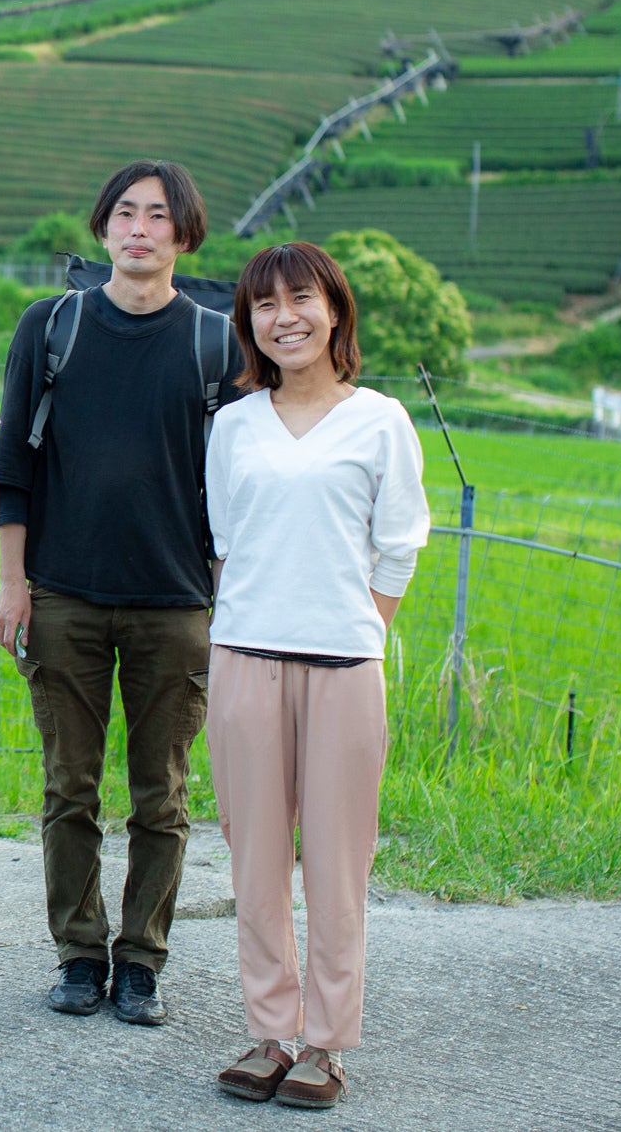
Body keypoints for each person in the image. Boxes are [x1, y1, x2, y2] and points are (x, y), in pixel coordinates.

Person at [0, 160, 244, 1025]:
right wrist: (12, 584)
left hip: (176, 604)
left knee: (160, 795)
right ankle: (77, 952)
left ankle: (141, 959)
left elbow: (237, 487)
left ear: (185, 234)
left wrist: (225, 606)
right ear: (103, 229)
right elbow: (13, 467)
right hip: (63, 594)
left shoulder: (217, 343)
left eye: (159, 215)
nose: (140, 229)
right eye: (125, 213)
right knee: (69, 788)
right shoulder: (52, 326)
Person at [204, 241, 429, 1110]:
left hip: (344, 668)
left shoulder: (380, 419)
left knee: (337, 864)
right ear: (249, 325)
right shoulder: (235, 424)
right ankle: (270, 1031)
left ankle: (327, 1043)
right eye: (264, 304)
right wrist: (256, 624)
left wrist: (356, 628)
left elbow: (399, 545)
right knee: (255, 860)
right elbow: (227, 543)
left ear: (334, 310)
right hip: (245, 659)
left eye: (300, 298)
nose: (284, 317)